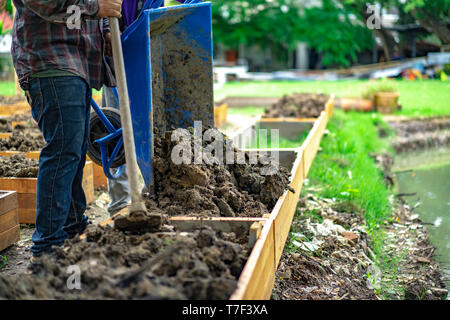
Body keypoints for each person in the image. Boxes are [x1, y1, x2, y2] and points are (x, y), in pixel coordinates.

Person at [11, 0, 123, 258]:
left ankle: (74, 229)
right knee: (63, 150)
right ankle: (47, 245)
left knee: (74, 148)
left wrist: (104, 27)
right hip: (50, 60)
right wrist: (95, 8)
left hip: (78, 63)